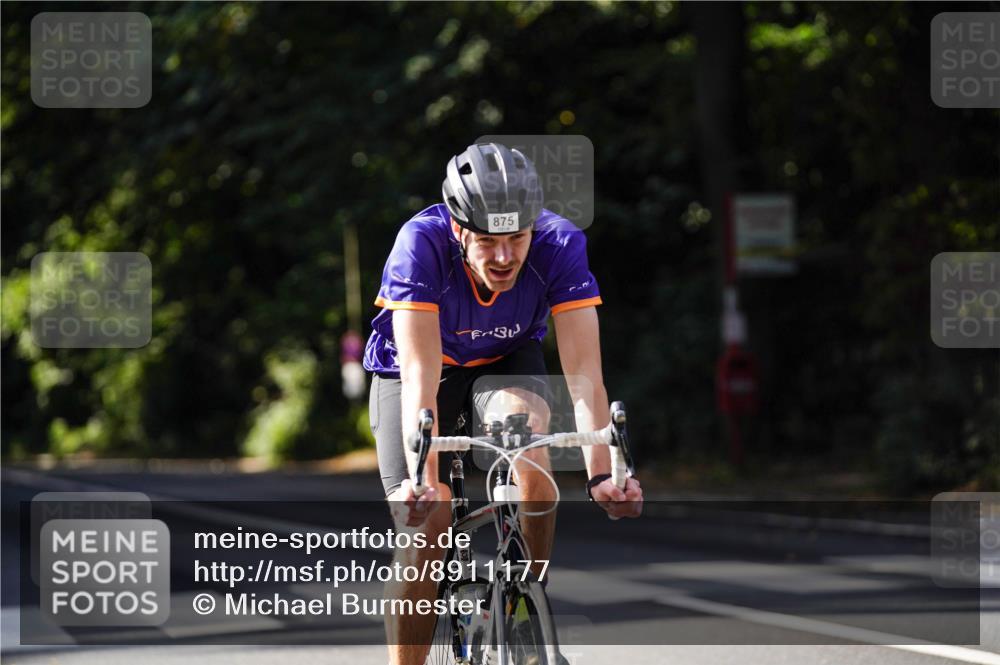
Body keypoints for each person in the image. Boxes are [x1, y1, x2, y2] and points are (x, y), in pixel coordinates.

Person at [364, 142, 643, 665]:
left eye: (516, 239)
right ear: (458, 231)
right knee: (427, 522)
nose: (504, 257)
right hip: (420, 370)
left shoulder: (559, 244)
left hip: (504, 357)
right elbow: (421, 376)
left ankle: (527, 603)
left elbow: (584, 376)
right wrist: (422, 483)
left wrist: (603, 475)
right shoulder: (418, 245)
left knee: (529, 451)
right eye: (488, 242)